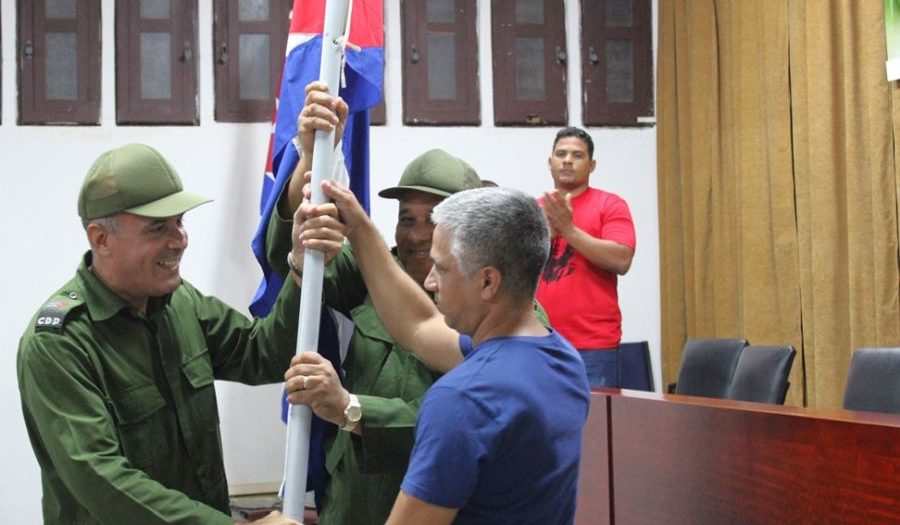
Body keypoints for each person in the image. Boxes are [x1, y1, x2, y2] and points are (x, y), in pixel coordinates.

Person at [17, 144, 304, 525]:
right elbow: (103, 482)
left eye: (179, 222)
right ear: (100, 238)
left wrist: (301, 272)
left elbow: (262, 354)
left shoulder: (179, 302)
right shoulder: (59, 343)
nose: (180, 239)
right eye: (158, 228)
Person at [286, 183, 590, 524]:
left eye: (442, 268)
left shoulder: (463, 399)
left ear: (488, 282)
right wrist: (359, 228)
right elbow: (418, 325)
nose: (430, 281)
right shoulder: (561, 359)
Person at [262, 83, 484, 525]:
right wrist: (311, 157)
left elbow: (464, 421)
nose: (418, 234)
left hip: (435, 503)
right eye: (407, 219)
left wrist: (351, 407)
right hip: (352, 498)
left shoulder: (500, 304)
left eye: (435, 219)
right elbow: (290, 258)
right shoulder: (373, 269)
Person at [537, 126, 636, 387]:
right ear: (550, 162)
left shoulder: (610, 205)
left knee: (593, 427)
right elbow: (516, 269)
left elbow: (621, 260)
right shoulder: (534, 209)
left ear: (591, 165)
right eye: (561, 153)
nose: (567, 160)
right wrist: (545, 234)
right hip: (539, 341)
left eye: (577, 155)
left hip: (593, 346)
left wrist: (568, 229)